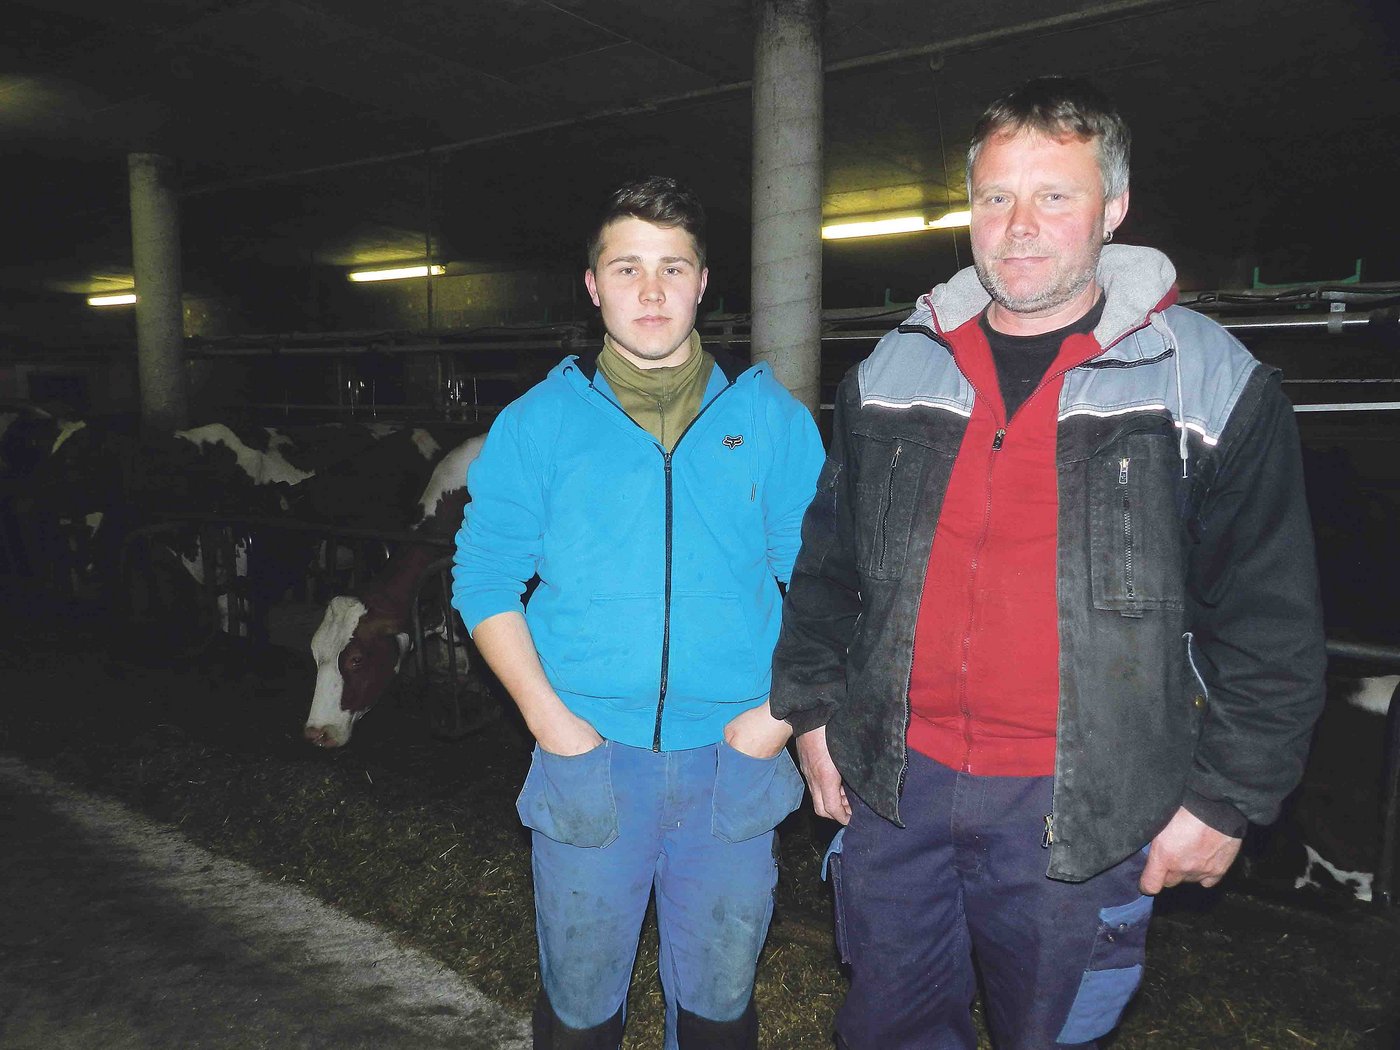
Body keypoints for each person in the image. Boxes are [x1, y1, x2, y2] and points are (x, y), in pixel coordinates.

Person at [770, 77, 1326, 1049]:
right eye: (995, 196)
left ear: (1113, 208)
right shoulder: (893, 368)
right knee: (888, 1029)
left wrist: (1227, 798)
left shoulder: (1207, 380)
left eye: (1054, 196)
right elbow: (828, 569)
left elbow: (1267, 619)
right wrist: (813, 715)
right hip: (896, 789)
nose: (1018, 226)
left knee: (1055, 1033)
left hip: (1080, 805)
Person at [452, 176, 825, 1050]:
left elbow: (822, 583)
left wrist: (773, 721)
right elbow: (484, 578)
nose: (651, 291)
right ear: (593, 285)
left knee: (720, 1002)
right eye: (627, 268)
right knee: (579, 1005)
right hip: (588, 757)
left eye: (673, 268)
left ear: (704, 283)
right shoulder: (538, 423)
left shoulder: (770, 420)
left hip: (733, 758)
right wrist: (552, 724)